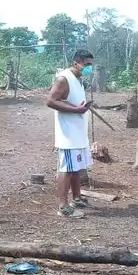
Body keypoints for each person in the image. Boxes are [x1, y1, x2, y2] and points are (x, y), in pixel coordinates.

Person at [46, 49, 95, 219]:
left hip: (79, 133)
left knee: (76, 168)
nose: (90, 68)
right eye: (87, 64)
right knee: (66, 169)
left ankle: (77, 198)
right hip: (67, 135)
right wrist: (76, 110)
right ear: (77, 62)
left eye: (91, 65)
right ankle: (63, 206)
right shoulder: (63, 78)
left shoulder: (78, 79)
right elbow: (50, 100)